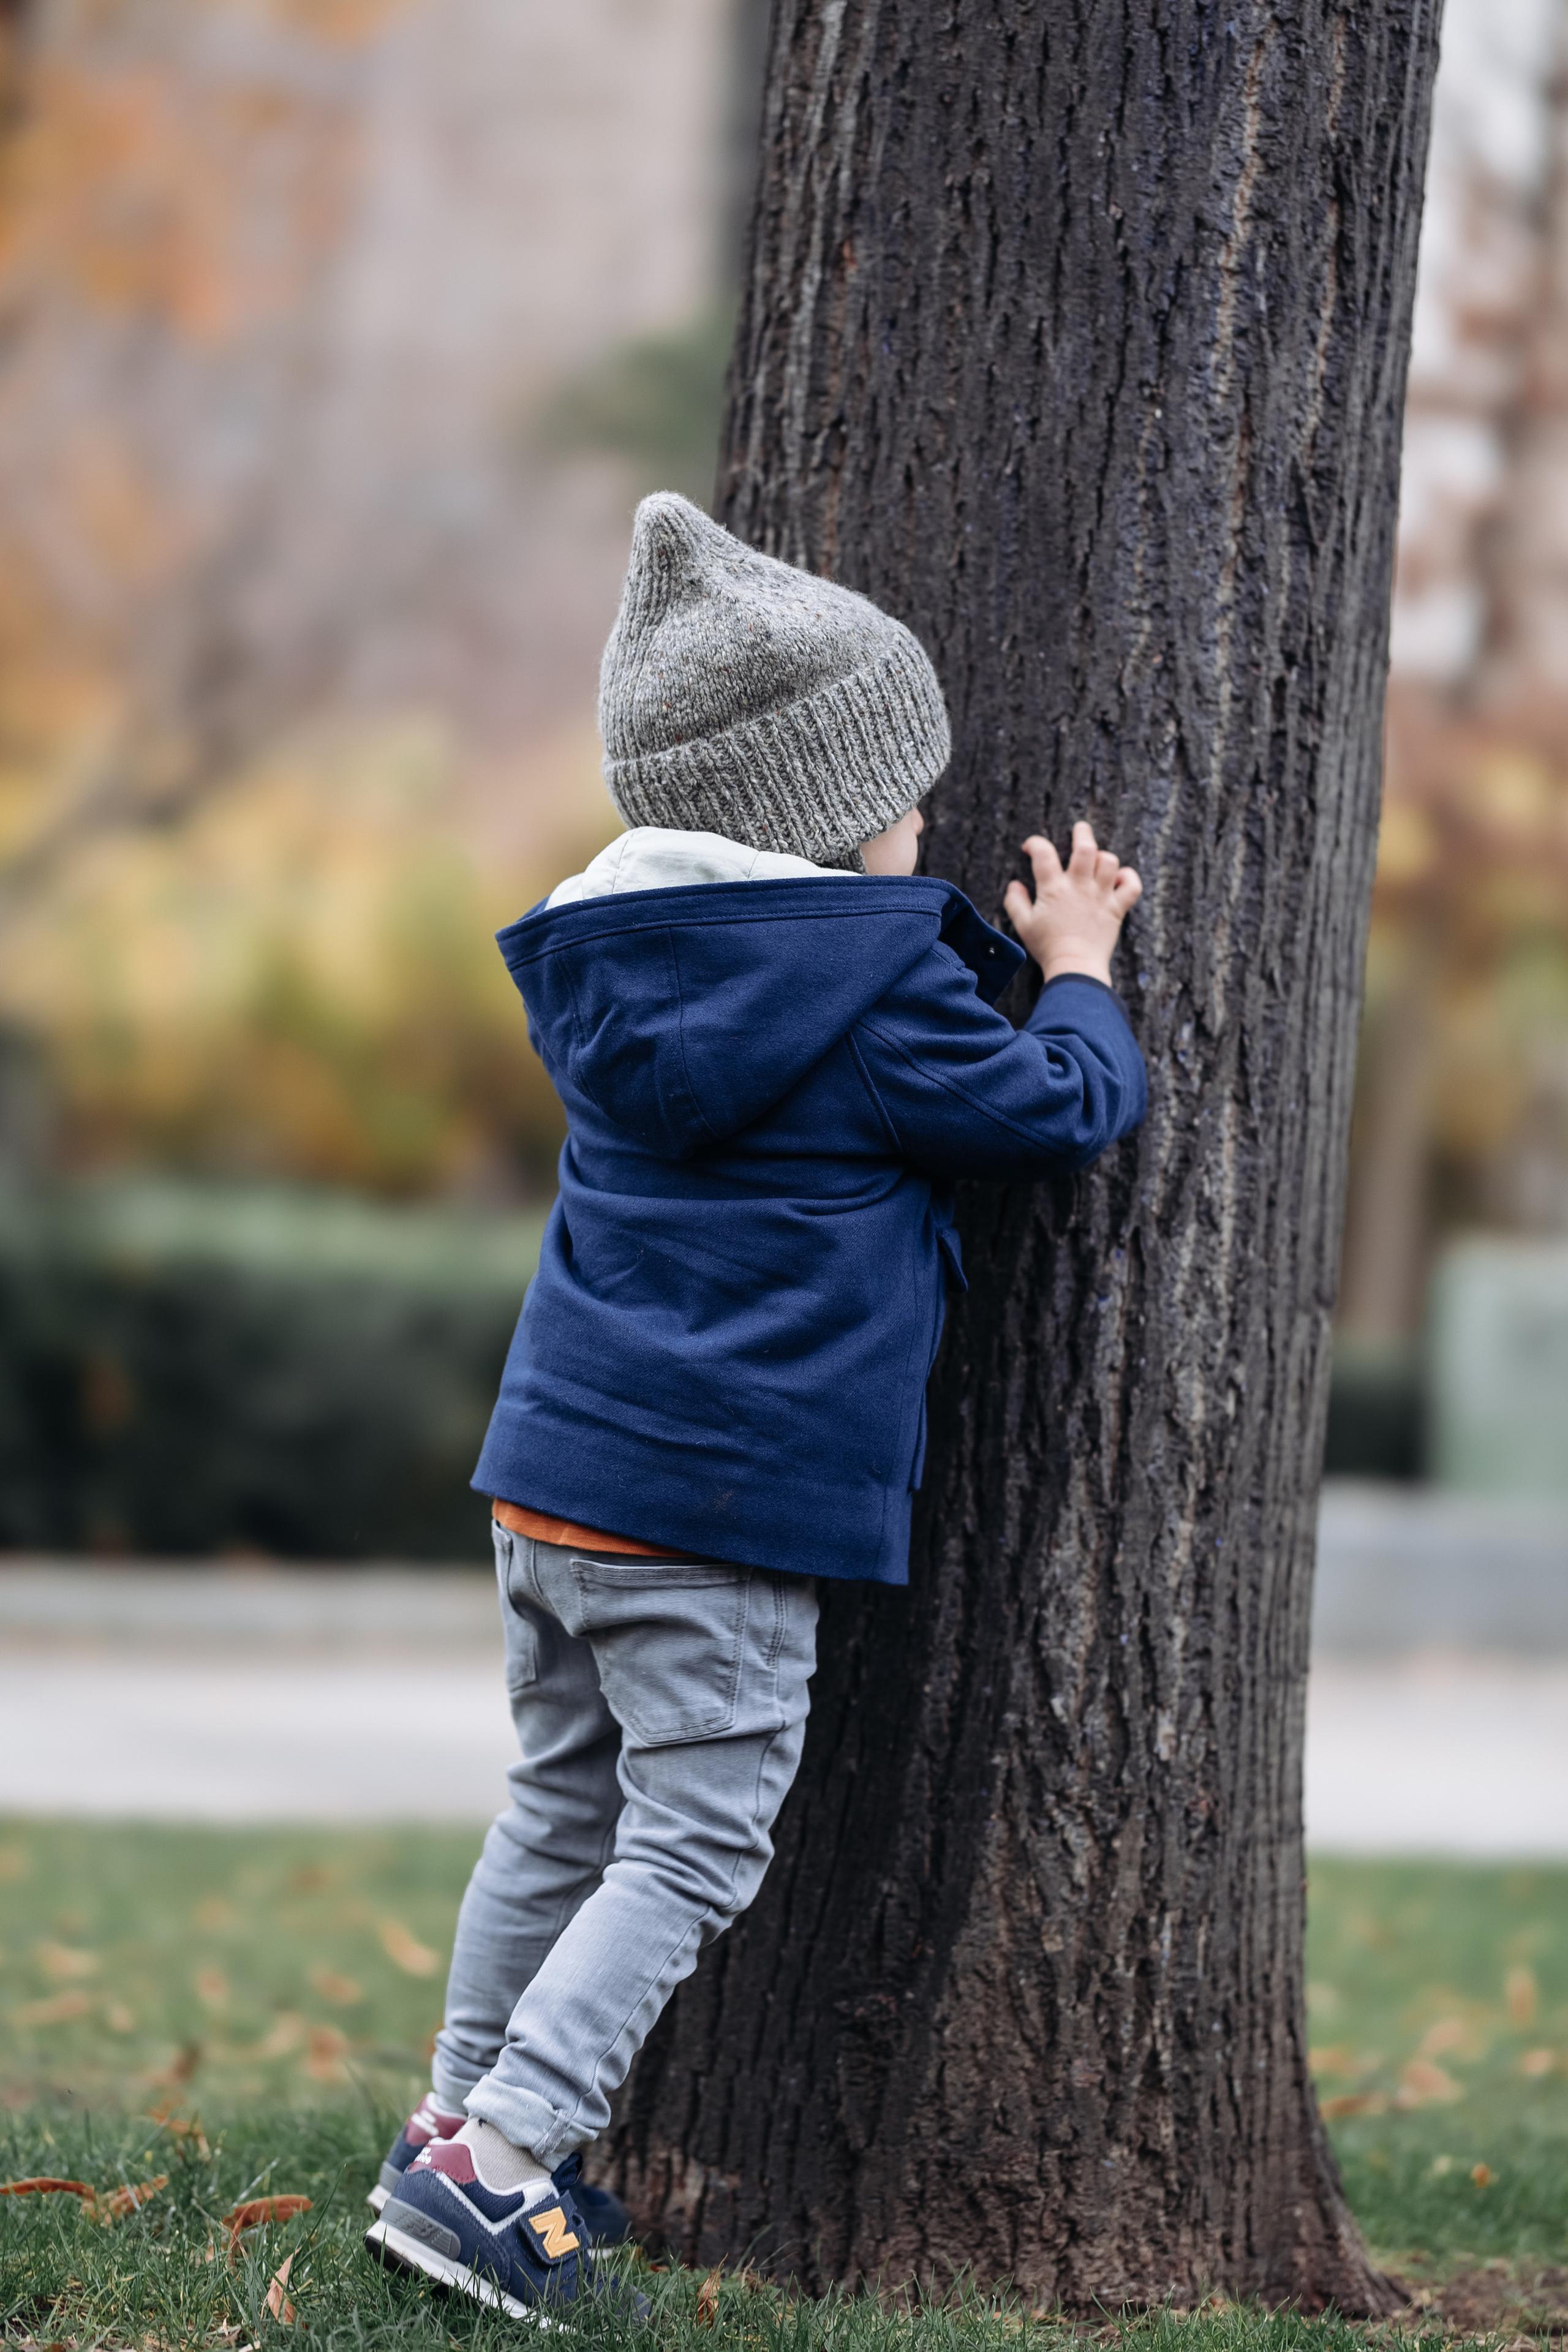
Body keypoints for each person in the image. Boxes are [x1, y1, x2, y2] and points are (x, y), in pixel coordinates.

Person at [365, 491, 1148, 2316]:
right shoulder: (873, 986)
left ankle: (447, 2126)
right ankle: (505, 2156)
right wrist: (1082, 974)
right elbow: (1056, 1116)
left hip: (554, 1479)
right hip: (712, 1507)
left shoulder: (607, 960)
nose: (926, 818)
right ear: (827, 808)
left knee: (559, 1807)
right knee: (699, 1834)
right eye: (906, 789)